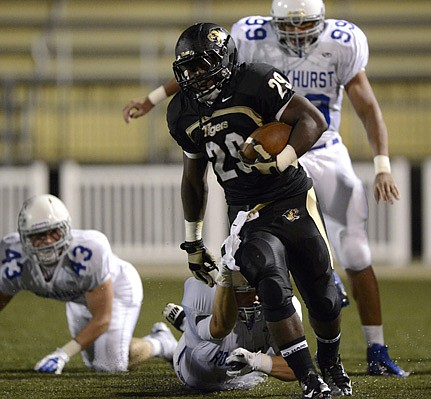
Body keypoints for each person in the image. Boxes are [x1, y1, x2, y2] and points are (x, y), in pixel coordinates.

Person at [122, 0, 405, 377]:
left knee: (352, 247)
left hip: (317, 144)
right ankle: (287, 306)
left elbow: (354, 110)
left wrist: (381, 165)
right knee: (262, 266)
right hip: (257, 162)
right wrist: (153, 99)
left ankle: (375, 345)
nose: (297, 33)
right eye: (288, 24)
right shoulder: (240, 47)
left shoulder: (332, 46)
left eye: (305, 25)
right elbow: (201, 73)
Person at [166, 22, 350, 398]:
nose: (196, 76)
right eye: (188, 69)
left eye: (203, 65)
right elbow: (193, 179)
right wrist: (193, 240)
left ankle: (330, 362)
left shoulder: (257, 81)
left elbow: (312, 120)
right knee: (270, 284)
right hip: (246, 212)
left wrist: (281, 159)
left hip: (292, 196)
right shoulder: (182, 111)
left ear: (226, 59)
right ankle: (310, 381)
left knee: (323, 296)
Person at [0, 194, 177, 374]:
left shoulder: (89, 249)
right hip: (80, 298)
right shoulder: (12, 256)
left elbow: (102, 319)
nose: (47, 241)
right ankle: (132, 345)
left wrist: (63, 353)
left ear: (66, 229)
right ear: (24, 237)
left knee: (110, 365)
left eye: (54, 232)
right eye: (38, 235)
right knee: (95, 362)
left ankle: (161, 343)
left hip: (117, 288)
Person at [163, 273, 301, 391]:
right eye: (246, 291)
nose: (255, 297)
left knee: (284, 346)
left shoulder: (279, 304)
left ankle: (189, 323)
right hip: (195, 375)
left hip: (246, 378)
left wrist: (257, 361)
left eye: (257, 289)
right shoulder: (206, 296)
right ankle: (187, 325)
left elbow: (298, 366)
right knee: (201, 338)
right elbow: (219, 329)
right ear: (230, 290)